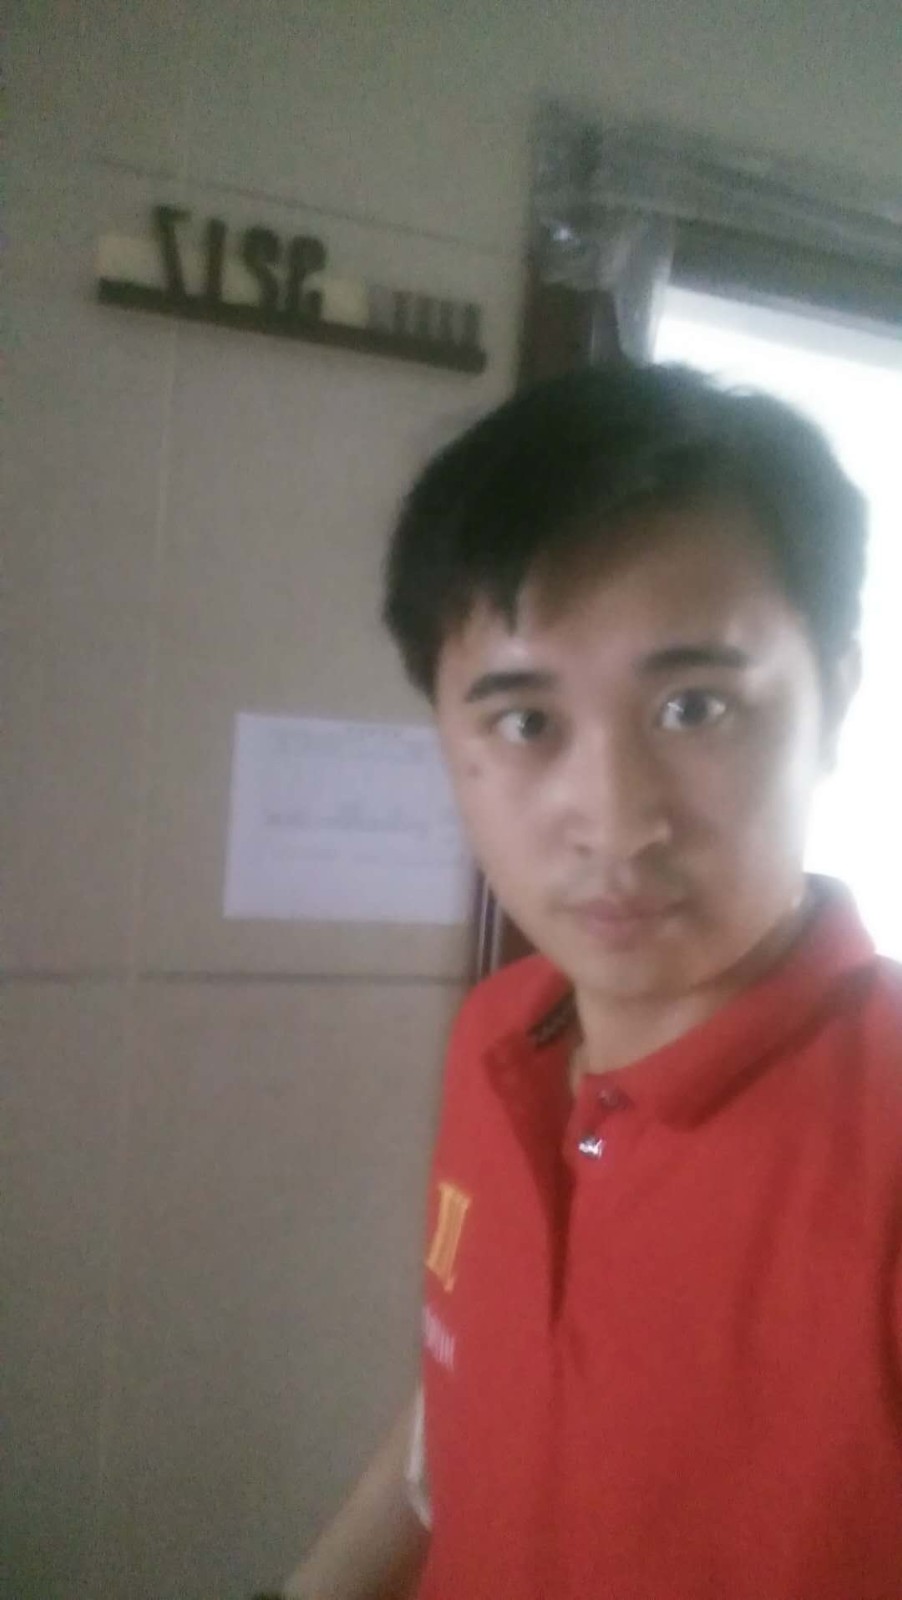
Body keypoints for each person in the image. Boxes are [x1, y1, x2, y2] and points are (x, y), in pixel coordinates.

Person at [265, 363, 902, 1600]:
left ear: (834, 701)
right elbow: (459, 1401)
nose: (611, 822)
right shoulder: (501, 1036)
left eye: (694, 706)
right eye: (523, 722)